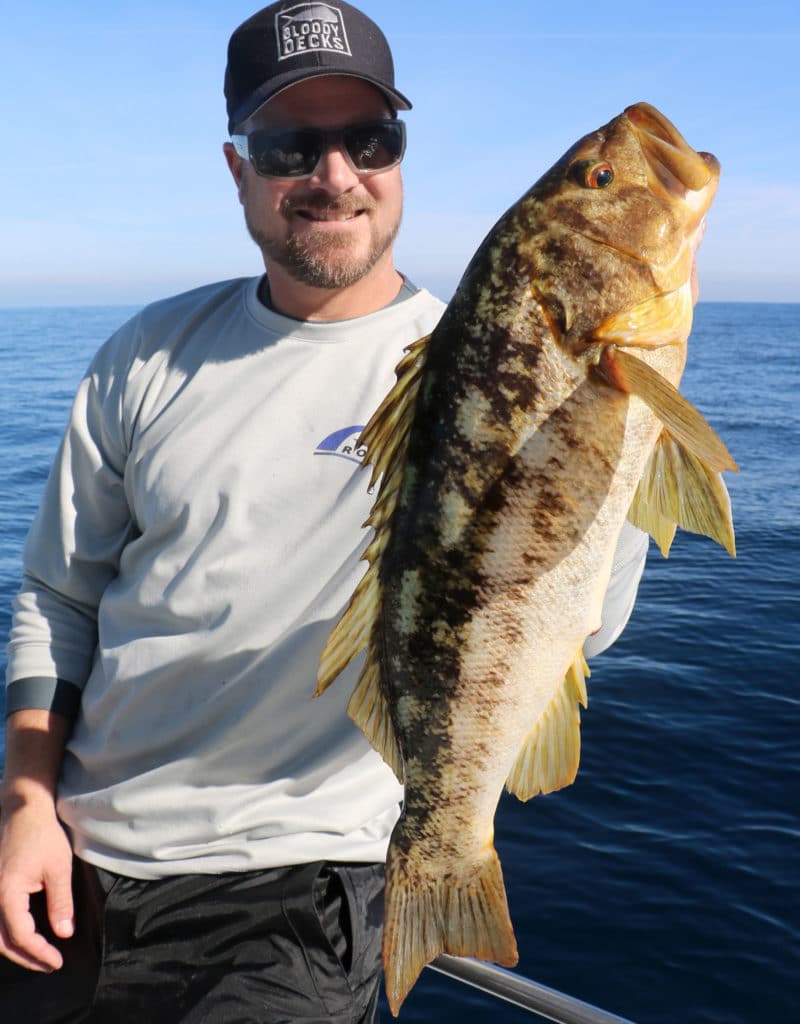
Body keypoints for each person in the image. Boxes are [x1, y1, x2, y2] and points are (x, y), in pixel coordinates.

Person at [0, 3, 649, 1021]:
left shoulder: (487, 365)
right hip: (72, 864)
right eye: (289, 144)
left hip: (291, 896)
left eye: (368, 139)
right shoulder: (144, 352)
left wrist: (624, 442)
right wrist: (27, 802)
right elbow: (58, 593)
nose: (334, 174)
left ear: (399, 157)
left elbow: (577, 624)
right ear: (238, 169)